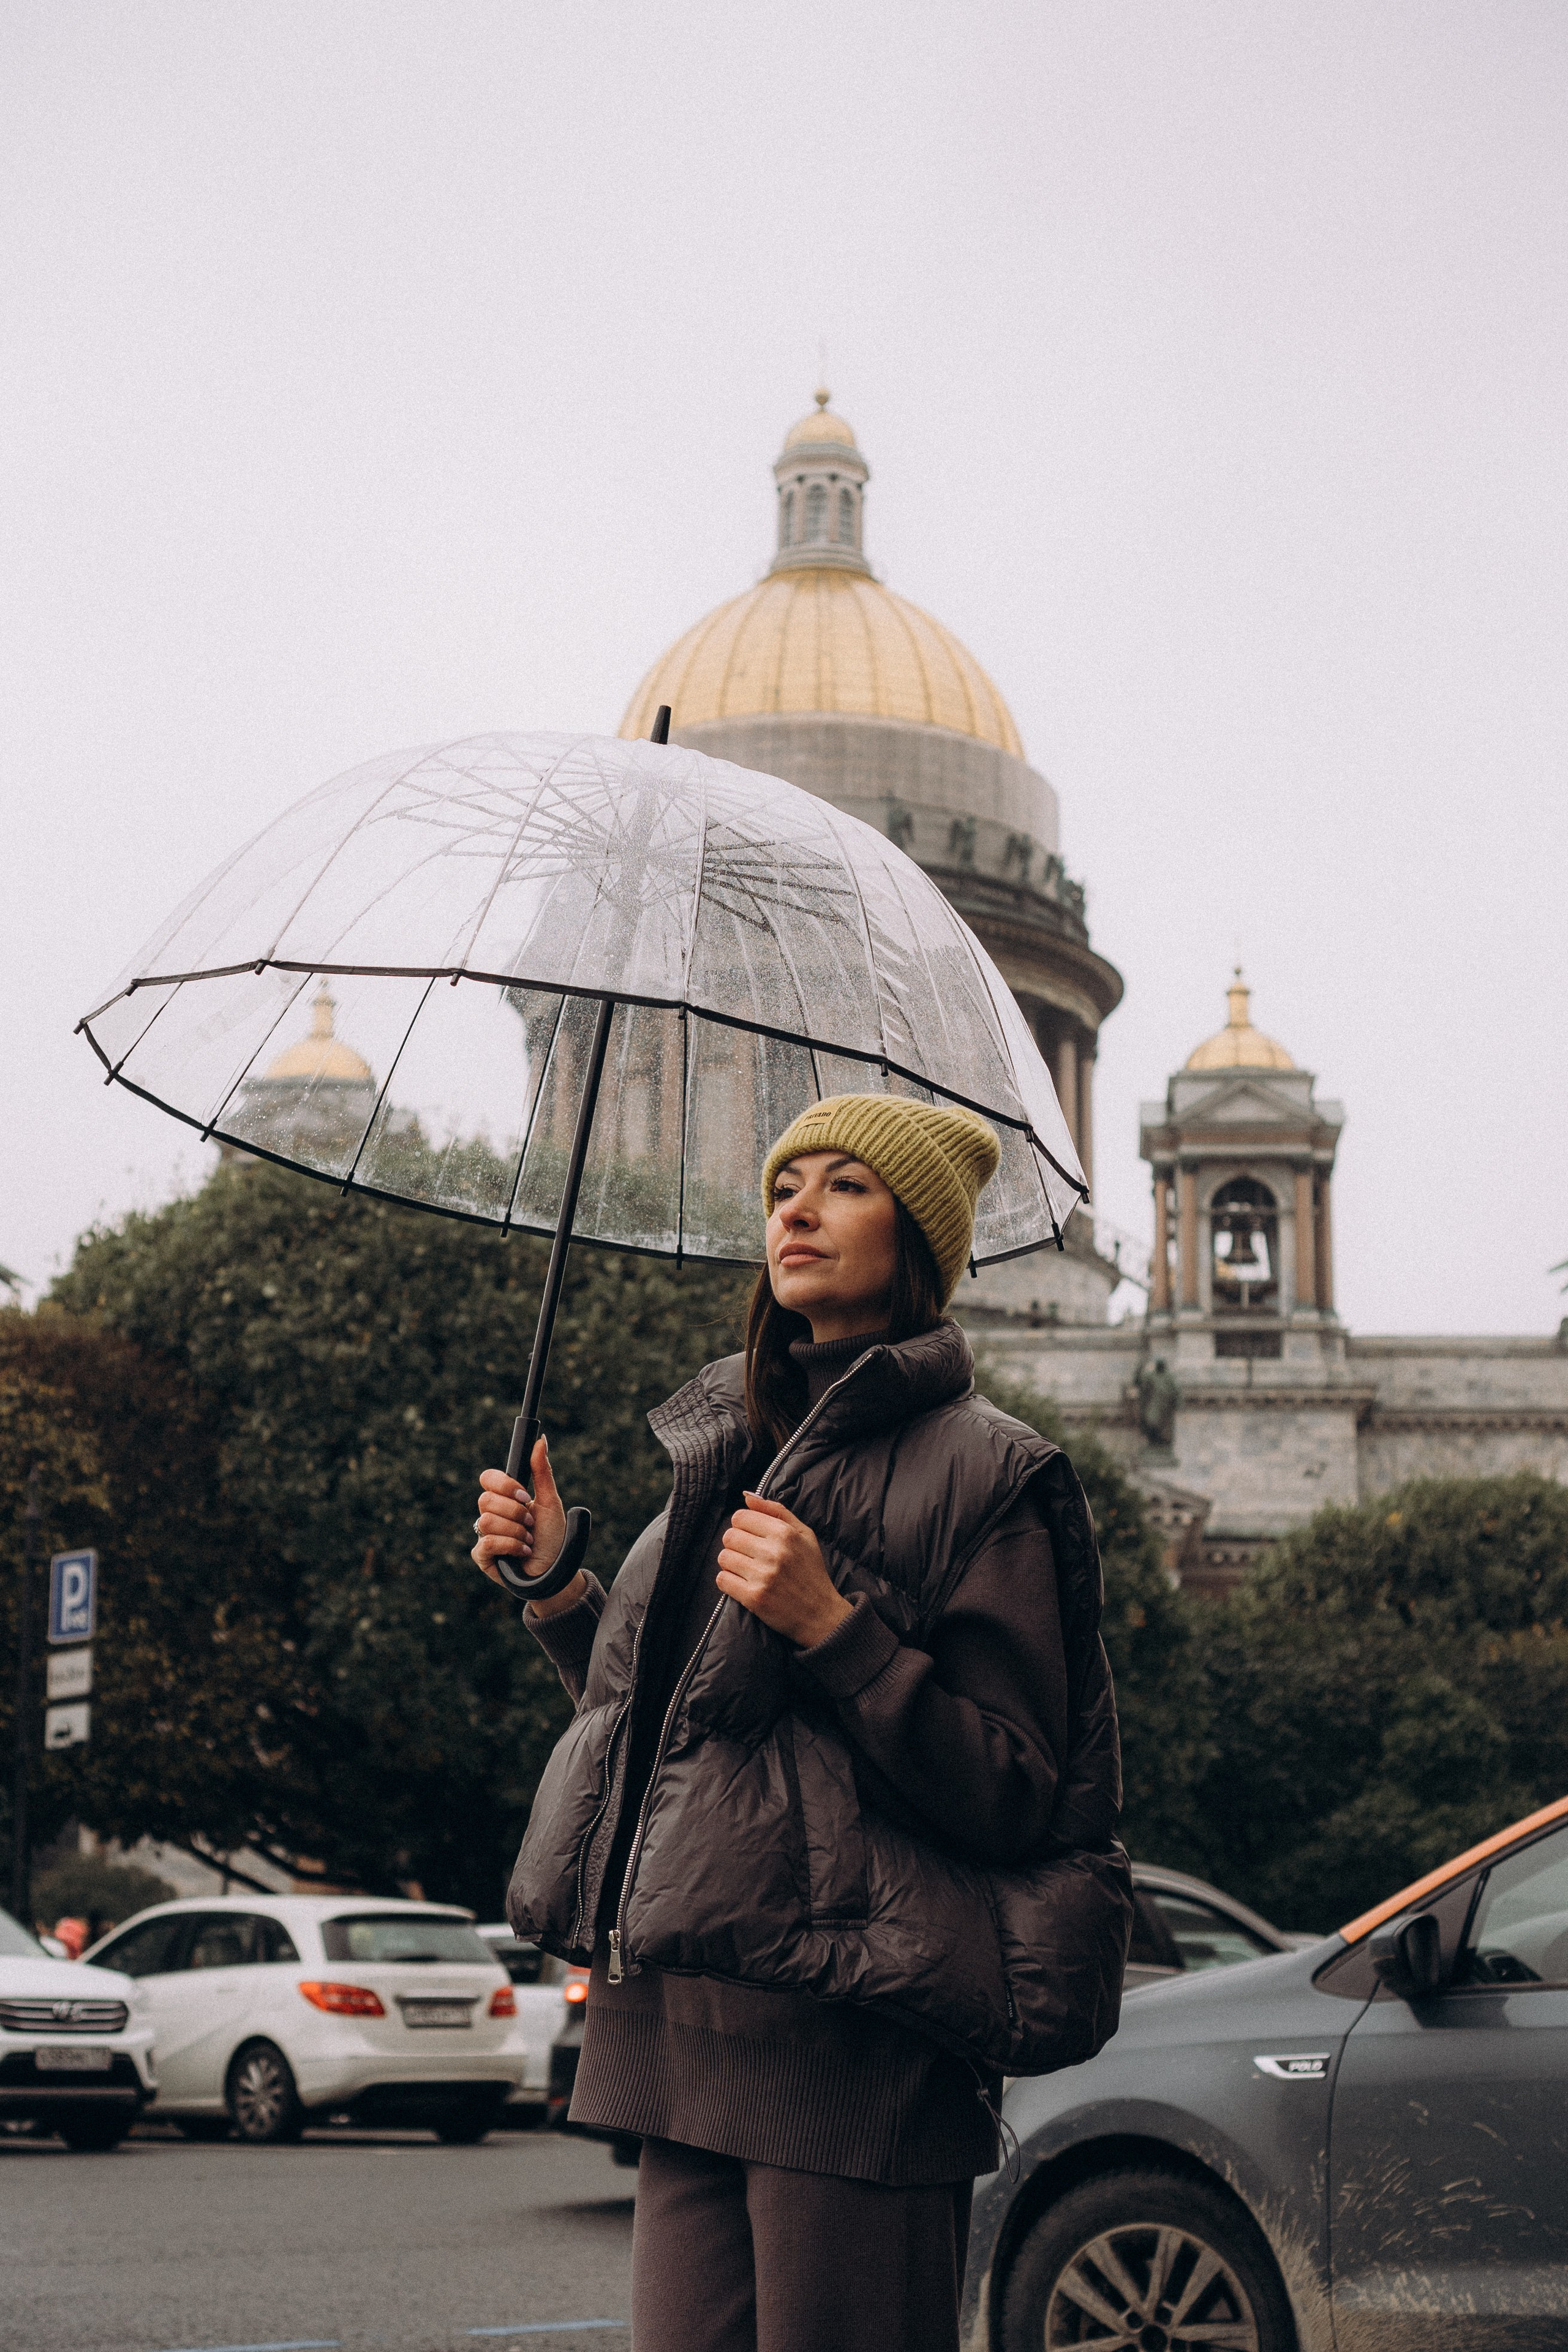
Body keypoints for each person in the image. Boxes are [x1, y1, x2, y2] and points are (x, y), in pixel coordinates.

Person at [472, 1094, 1129, 2352]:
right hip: (686, 2028)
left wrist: (837, 1629)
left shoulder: (988, 1471)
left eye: (845, 1186)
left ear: (921, 1243)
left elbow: (1014, 1791)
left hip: (853, 2049)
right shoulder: (725, 1444)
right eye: (785, 1184)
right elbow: (687, 1747)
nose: (796, 1206)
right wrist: (559, 1586)